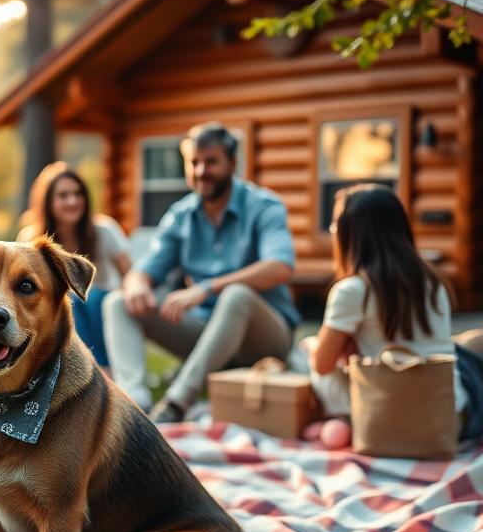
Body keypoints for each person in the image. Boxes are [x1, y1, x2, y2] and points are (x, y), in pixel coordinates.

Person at [103, 122, 300, 421]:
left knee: (235, 296)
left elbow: (280, 267)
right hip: (207, 334)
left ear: (232, 164)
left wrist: (207, 288)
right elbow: (142, 271)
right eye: (194, 162)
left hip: (265, 338)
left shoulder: (264, 207)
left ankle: (175, 404)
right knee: (118, 302)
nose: (200, 171)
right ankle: (137, 408)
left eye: (211, 162)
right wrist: (137, 284)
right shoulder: (181, 215)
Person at [304, 184, 483, 442]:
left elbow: (322, 366)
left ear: (349, 234)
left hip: (389, 422)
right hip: (448, 421)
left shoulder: (352, 290)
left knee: (310, 351)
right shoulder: (433, 282)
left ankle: (345, 422)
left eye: (334, 227)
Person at [17, 162, 131, 369]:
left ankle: (101, 370)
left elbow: (130, 275)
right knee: (69, 300)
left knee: (90, 297)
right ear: (47, 201)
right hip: (59, 312)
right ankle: (82, 368)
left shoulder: (104, 230)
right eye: (63, 195)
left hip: (103, 309)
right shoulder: (30, 238)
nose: (73, 201)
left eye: (78, 194)